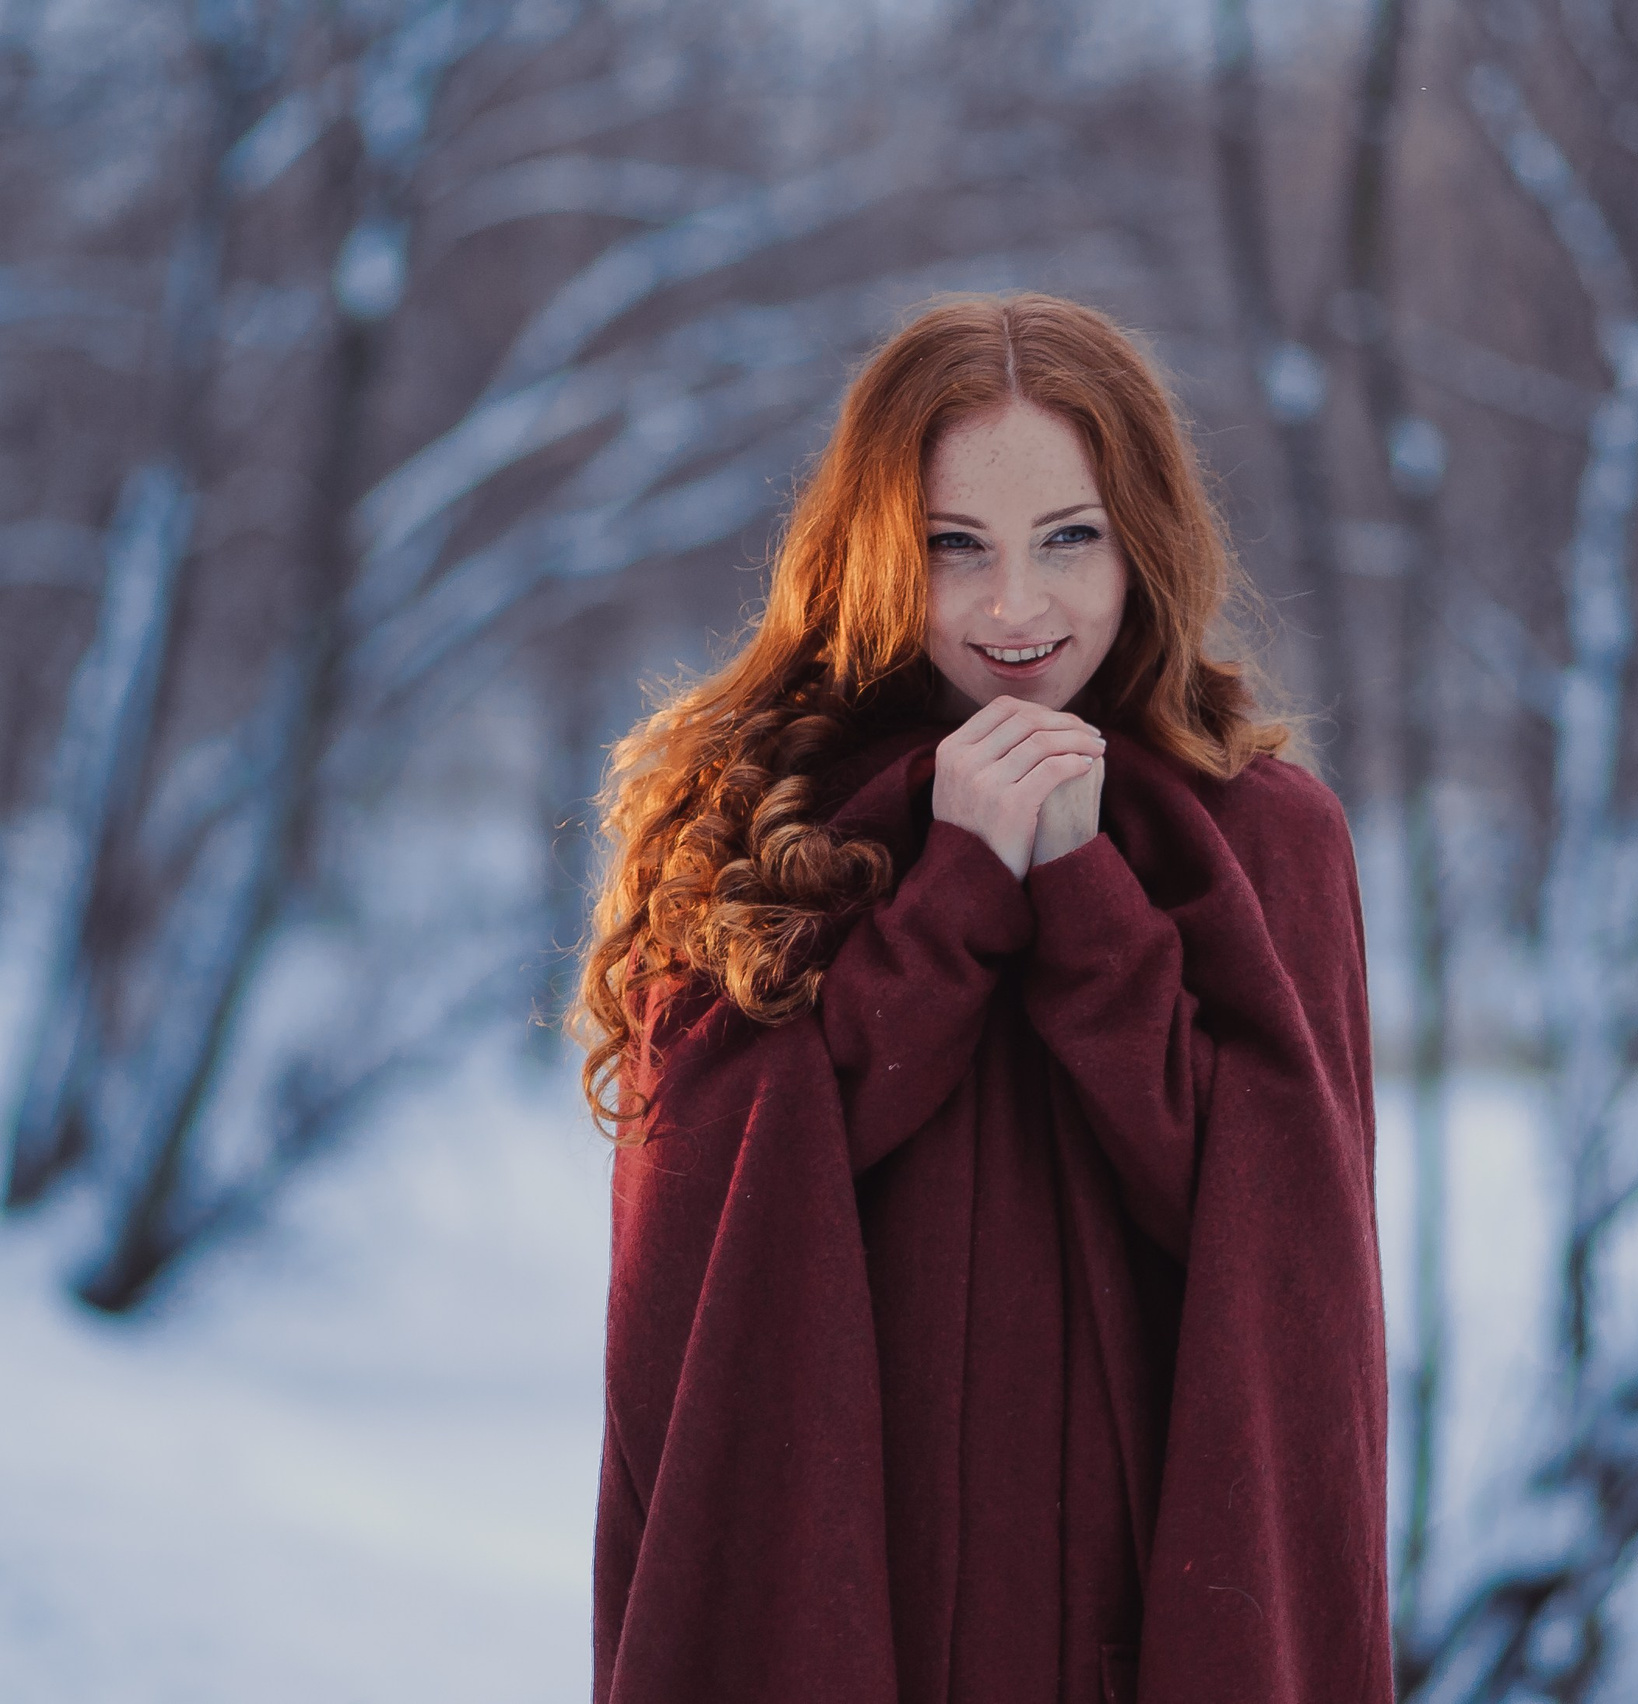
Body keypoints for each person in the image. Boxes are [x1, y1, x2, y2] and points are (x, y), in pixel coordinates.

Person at [574, 293, 1391, 1704]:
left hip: (1138, 1635)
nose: (1017, 608)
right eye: (956, 546)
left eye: (1069, 538)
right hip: (845, 1617)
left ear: (1143, 539)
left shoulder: (1268, 843)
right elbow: (708, 1229)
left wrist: (1084, 895)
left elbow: (1282, 1266)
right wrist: (950, 894)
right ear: (877, 550)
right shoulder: (746, 825)